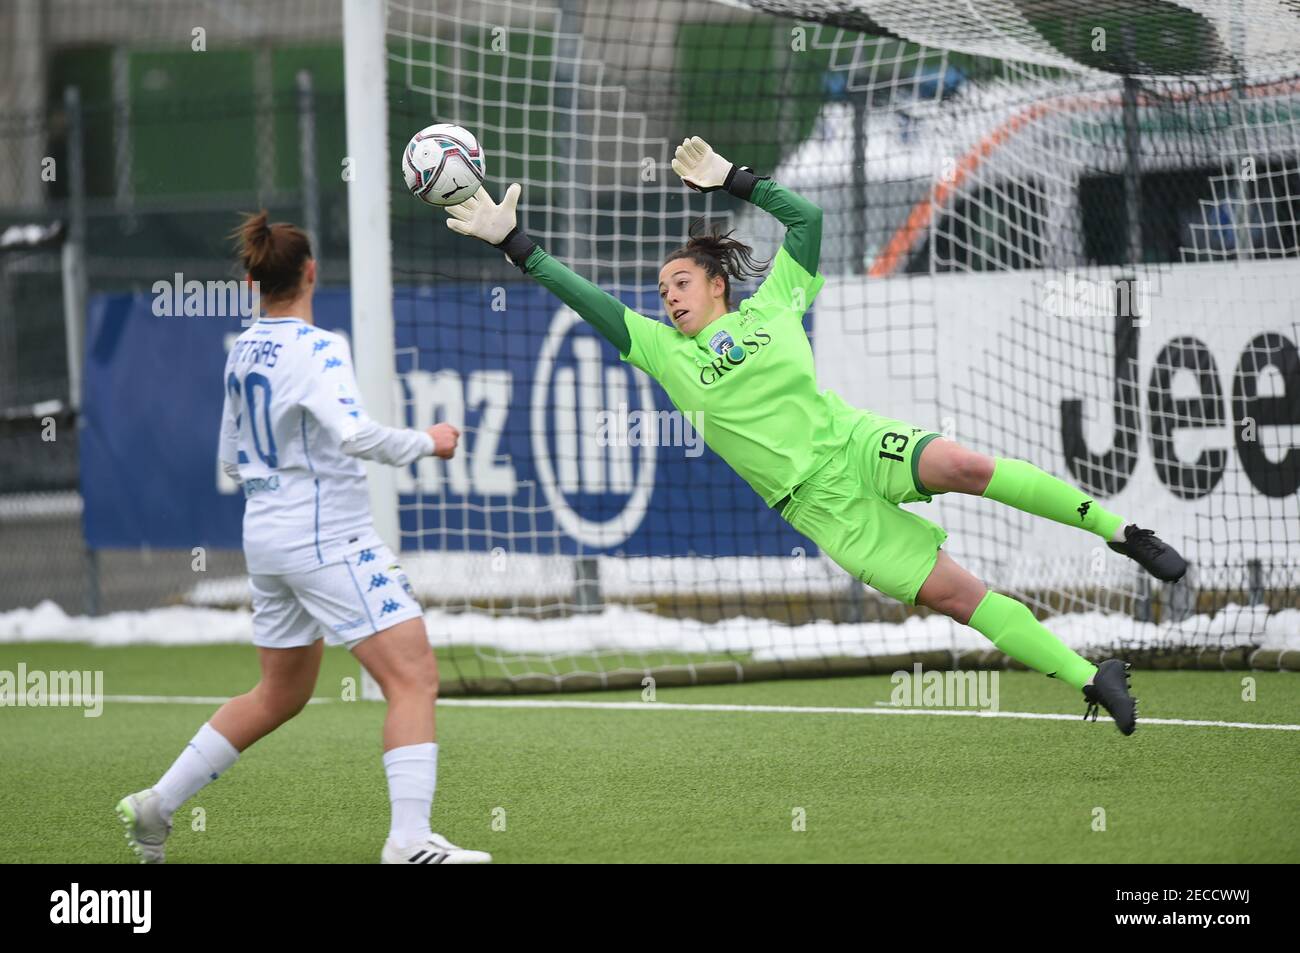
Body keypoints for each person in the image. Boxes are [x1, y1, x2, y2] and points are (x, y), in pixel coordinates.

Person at [443, 136, 1190, 735]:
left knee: (963, 462)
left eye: (679, 282)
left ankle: (1122, 530)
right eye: (662, 289)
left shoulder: (774, 305)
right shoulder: (663, 352)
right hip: (821, 508)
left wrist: (736, 179)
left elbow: (808, 221)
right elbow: (589, 301)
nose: (667, 296)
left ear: (716, 283)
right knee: (963, 597)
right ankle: (1091, 678)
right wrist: (518, 245)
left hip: (854, 440)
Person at [115, 212, 491, 864]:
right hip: (328, 538)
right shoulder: (320, 347)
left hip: (266, 537)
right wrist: (427, 442)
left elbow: (231, 455)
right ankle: (407, 841)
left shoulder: (244, 348)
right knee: (414, 678)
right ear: (311, 271)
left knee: (281, 693)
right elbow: (354, 434)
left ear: (254, 280)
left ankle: (157, 804)